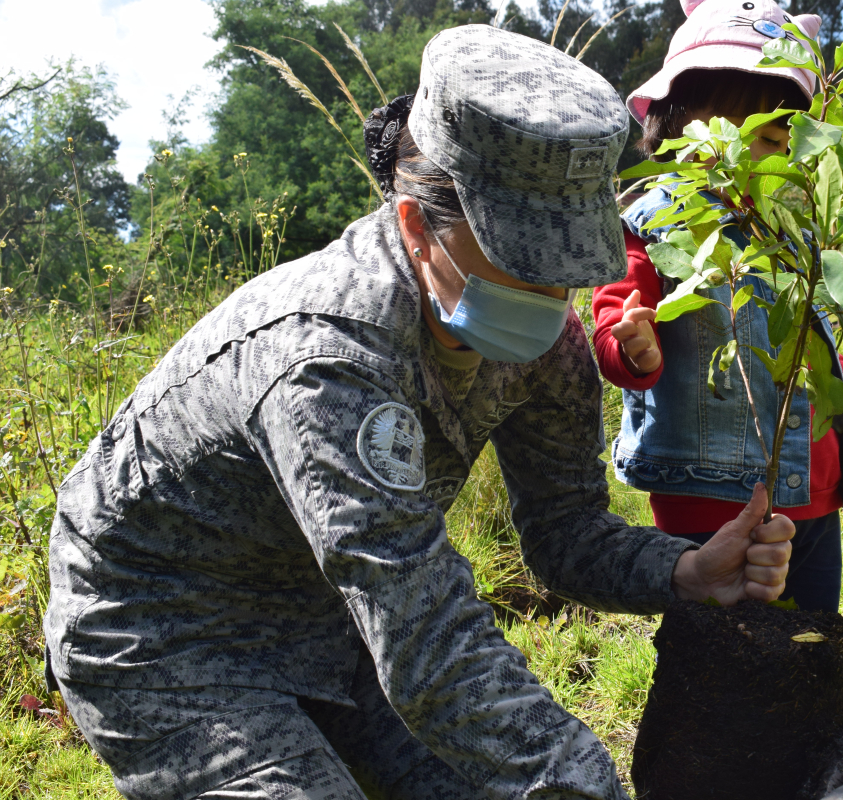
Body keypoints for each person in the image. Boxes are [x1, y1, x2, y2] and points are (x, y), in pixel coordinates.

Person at [42, 25, 796, 800]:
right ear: (414, 225)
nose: (548, 296)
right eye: (518, 258)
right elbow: (424, 636)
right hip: (162, 628)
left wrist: (683, 570)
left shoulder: (552, 346)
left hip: (331, 618)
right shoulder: (326, 361)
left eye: (566, 263)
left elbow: (565, 530)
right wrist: (583, 781)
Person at [590, 0, 843, 615]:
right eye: (727, 130)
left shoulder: (791, 230)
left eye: (774, 139)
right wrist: (632, 347)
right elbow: (616, 313)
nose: (750, 154)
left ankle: (816, 715)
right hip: (707, 494)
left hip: (812, 481)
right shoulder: (654, 227)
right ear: (676, 126)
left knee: (811, 628)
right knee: (717, 642)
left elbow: (817, 324)